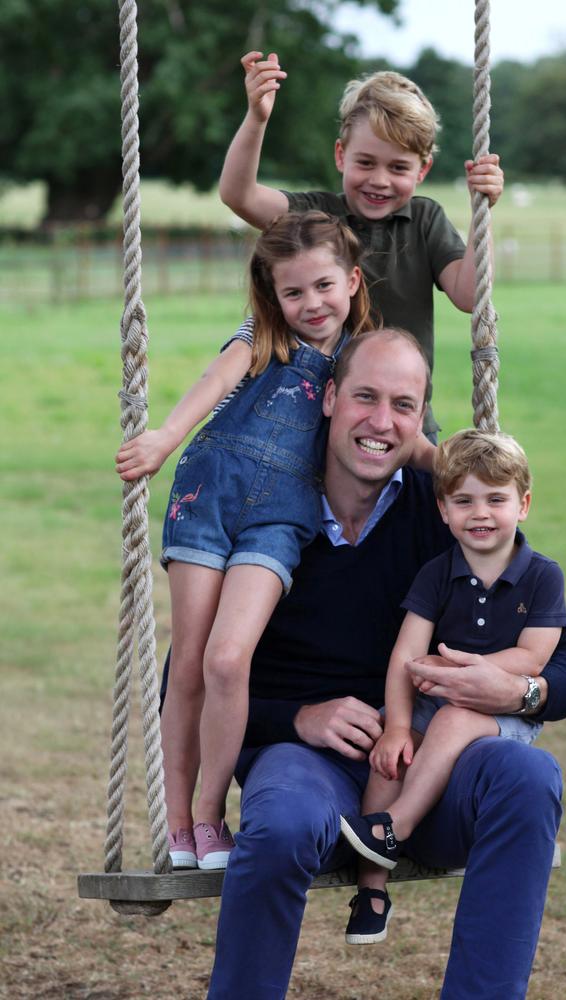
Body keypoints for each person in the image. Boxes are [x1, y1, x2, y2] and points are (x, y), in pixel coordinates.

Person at [205, 328, 566, 1000]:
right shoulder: (267, 512)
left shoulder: (444, 512)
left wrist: (516, 690)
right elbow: (186, 683)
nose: (381, 423)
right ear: (329, 397)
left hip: (432, 768)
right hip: (312, 763)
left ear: (421, 421)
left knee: (526, 775)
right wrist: (298, 717)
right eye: (365, 397)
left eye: (403, 404)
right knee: (280, 824)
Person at [114, 210, 381, 872]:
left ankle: (210, 815)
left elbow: (391, 426)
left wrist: (457, 468)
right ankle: (179, 825)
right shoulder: (262, 334)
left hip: (281, 516)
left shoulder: (359, 356)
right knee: (191, 661)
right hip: (208, 493)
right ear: (274, 295)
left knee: (229, 661)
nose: (311, 304)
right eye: (294, 292)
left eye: (323, 286)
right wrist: (164, 437)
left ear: (350, 280)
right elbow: (216, 381)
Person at [339, 428, 566, 944]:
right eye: (464, 501)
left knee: (454, 717)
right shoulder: (437, 573)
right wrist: (397, 727)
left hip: (502, 710)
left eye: (496, 499)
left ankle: (396, 825)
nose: (481, 513)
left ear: (523, 504)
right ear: (443, 510)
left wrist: (469, 674)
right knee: (388, 756)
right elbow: (405, 655)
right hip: (433, 697)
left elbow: (534, 656)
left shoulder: (542, 577)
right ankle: (372, 888)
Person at [218, 53, 505, 438]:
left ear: (422, 171)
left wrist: (480, 212)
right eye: (366, 163)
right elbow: (240, 195)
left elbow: (469, 295)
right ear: (341, 155)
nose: (380, 180)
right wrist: (257, 118)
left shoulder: (425, 221)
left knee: (420, 495)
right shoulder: (316, 216)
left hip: (404, 424)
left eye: (398, 168)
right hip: (318, 426)